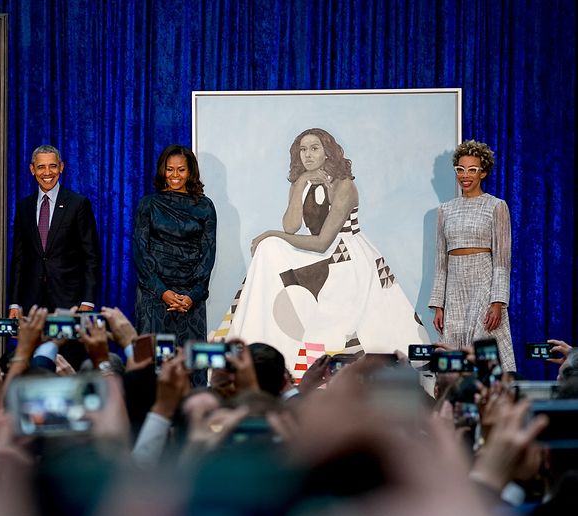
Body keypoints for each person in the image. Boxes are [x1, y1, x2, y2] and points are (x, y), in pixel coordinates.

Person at [220, 128, 427, 378]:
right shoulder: (302, 183)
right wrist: (300, 186)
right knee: (268, 249)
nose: (307, 155)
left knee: (273, 244)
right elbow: (291, 226)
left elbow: (323, 242)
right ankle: (261, 335)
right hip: (319, 252)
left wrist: (271, 234)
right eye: (303, 149)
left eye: (314, 148)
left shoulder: (344, 186)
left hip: (344, 254)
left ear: (328, 152)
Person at [429, 139, 515, 370]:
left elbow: (502, 261)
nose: (465, 175)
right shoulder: (444, 210)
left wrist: (498, 302)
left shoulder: (497, 206)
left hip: (483, 286)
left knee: (484, 354)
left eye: (472, 170)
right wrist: (439, 305)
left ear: (483, 172)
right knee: (453, 359)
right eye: (460, 169)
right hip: (454, 288)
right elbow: (440, 263)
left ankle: (491, 402)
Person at [133, 145, 217, 346]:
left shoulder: (205, 206)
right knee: (152, 365)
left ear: (190, 172)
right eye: (170, 169)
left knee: (190, 365)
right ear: (163, 170)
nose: (175, 175)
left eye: (181, 169)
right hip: (154, 295)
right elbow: (140, 252)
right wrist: (163, 292)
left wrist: (192, 295)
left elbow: (208, 254)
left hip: (191, 299)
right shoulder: (148, 204)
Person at [8, 145, 101, 317]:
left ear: (61, 167)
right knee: (32, 345)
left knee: (68, 345)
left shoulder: (78, 204)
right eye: (41, 167)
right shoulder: (24, 207)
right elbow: (19, 259)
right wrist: (14, 303)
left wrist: (87, 301)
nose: (47, 172)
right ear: (32, 169)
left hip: (69, 301)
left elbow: (91, 256)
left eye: (53, 166)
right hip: (31, 302)